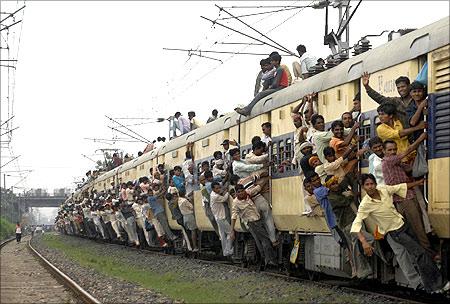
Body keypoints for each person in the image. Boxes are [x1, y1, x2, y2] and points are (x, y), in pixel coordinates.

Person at [351, 174, 449, 294]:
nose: (370, 187)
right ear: (363, 187)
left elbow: (400, 187)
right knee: (420, 254)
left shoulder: (383, 190)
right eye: (367, 184)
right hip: (395, 233)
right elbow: (356, 225)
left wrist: (418, 183)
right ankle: (438, 284)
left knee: (420, 253)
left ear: (376, 184)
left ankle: (431, 286)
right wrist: (364, 242)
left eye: (372, 184)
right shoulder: (365, 204)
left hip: (404, 225)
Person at [382, 134, 433, 255]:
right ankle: (428, 252)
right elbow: (408, 151)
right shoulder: (388, 161)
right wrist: (420, 139)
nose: (393, 152)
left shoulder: (395, 163)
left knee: (414, 227)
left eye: (395, 149)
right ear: (384, 151)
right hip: (405, 198)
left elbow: (409, 168)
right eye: (390, 150)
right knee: (418, 227)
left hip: (405, 197)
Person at [230, 184, 278, 267]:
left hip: (258, 221)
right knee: (265, 240)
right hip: (252, 223)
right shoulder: (236, 203)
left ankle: (266, 260)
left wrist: (267, 178)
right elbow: (234, 216)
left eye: (242, 191)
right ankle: (270, 260)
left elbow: (258, 188)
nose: (241, 193)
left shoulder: (248, 194)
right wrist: (232, 231)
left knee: (260, 241)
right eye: (239, 192)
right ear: (236, 193)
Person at [210, 182, 234, 256]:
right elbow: (224, 199)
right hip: (221, 218)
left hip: (219, 217)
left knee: (223, 235)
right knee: (230, 232)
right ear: (213, 189)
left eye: (219, 187)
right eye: (217, 188)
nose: (219, 189)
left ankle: (225, 251)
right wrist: (227, 192)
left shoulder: (213, 194)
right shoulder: (215, 196)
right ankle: (229, 250)